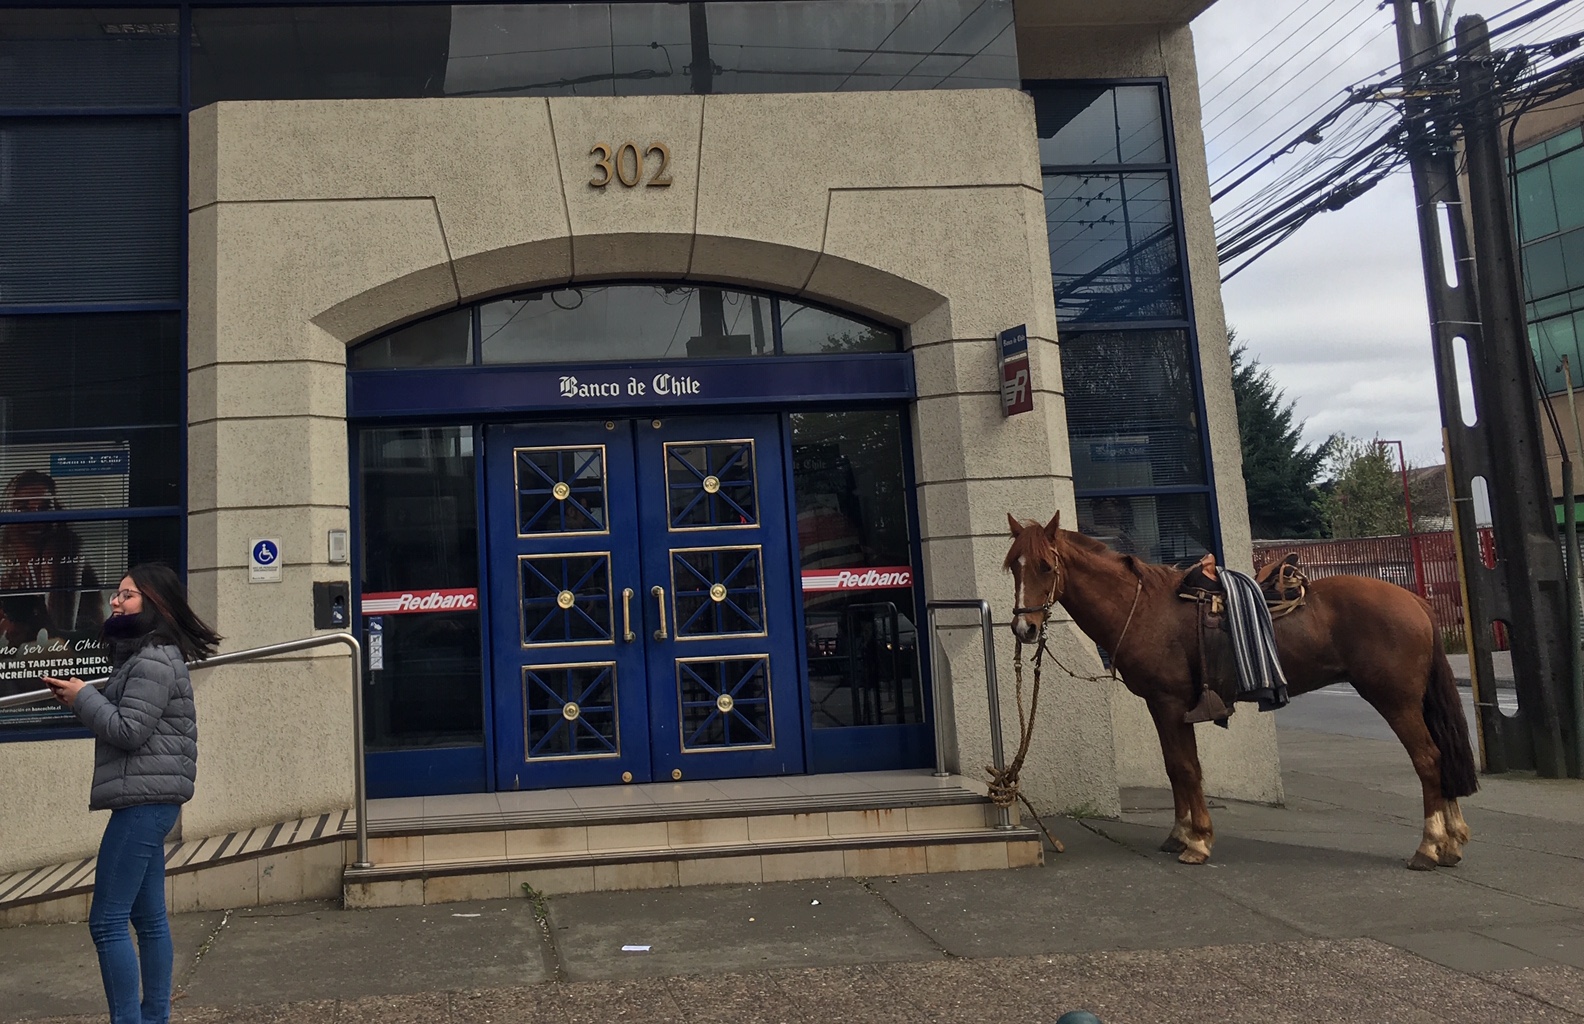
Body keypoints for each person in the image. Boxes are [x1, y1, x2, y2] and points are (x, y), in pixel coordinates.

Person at [42, 564, 220, 1024]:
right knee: (148, 920)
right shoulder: (144, 656)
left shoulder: (152, 659)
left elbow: (128, 730)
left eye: (127, 595)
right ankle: (154, 1017)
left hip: (144, 803)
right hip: (150, 799)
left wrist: (83, 697)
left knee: (106, 922)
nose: (116, 602)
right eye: (117, 594)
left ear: (155, 604)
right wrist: (83, 697)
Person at [0, 469, 104, 635]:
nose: (35, 519)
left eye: (44, 508)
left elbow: (59, 634)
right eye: (22, 509)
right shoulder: (13, 569)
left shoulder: (64, 549)